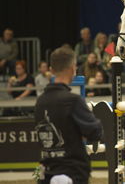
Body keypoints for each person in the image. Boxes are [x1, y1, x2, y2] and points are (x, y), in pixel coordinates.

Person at [35, 46, 103, 184]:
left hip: (45, 173)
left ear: (51, 70)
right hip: (72, 172)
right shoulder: (73, 100)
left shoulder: (40, 102)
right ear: (73, 69)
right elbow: (95, 132)